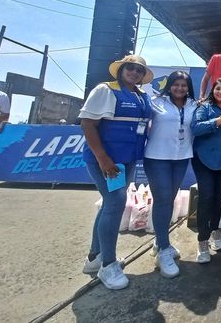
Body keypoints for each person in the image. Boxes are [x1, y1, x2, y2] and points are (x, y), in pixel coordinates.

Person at [80, 54, 153, 290]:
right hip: (107, 162)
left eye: (139, 70)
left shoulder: (142, 96)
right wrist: (102, 158)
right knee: (115, 203)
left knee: (109, 205)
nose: (134, 72)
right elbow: (87, 123)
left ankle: (95, 257)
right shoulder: (105, 90)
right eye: (129, 68)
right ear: (121, 69)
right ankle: (108, 265)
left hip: (127, 161)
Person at [143, 70, 197, 278]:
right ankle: (163, 251)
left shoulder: (194, 105)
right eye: (176, 84)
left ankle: (160, 242)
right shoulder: (155, 102)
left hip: (181, 158)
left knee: (169, 199)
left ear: (188, 88)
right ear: (169, 85)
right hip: (157, 157)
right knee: (163, 199)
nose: (180, 88)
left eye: (184, 85)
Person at [191, 78, 221, 263]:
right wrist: (219, 121)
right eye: (218, 88)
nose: (220, 92)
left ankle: (214, 231)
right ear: (212, 90)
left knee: (219, 198)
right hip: (204, 159)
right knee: (206, 197)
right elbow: (195, 128)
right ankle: (202, 240)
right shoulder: (204, 107)